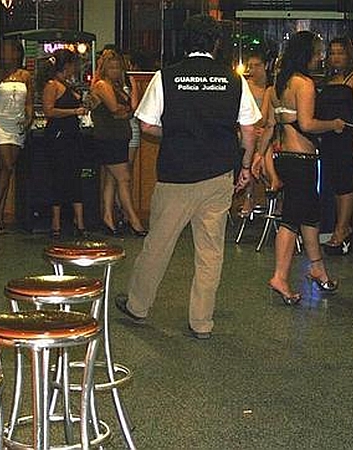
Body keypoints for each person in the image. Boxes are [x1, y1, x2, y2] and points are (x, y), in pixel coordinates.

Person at [114, 14, 261, 340]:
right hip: (218, 175)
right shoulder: (234, 81)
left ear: (185, 41)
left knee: (158, 244)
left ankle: (138, 306)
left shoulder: (166, 77)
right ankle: (201, 322)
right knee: (210, 252)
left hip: (176, 175)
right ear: (216, 44)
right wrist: (245, 166)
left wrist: (174, 133)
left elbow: (147, 124)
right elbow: (249, 130)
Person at [254, 31, 344, 305]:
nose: (320, 58)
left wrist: (258, 156)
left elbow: (269, 126)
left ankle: (318, 269)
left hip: (284, 158)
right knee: (292, 218)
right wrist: (333, 124)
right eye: (317, 53)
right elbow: (307, 124)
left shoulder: (276, 87)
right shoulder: (304, 84)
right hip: (302, 160)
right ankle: (280, 277)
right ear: (307, 55)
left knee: (309, 214)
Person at [317, 38, 353, 255]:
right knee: (333, 184)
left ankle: (342, 228)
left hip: (347, 137)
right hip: (328, 137)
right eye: (332, 53)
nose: (336, 57)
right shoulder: (328, 80)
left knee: (345, 184)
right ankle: (339, 226)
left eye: (340, 52)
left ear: (349, 55)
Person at [91, 49, 147, 236]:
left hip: (118, 136)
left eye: (118, 68)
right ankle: (133, 219)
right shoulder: (102, 85)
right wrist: (123, 111)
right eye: (111, 68)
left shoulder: (116, 86)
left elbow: (131, 109)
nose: (115, 71)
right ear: (104, 68)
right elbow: (115, 109)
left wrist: (124, 111)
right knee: (124, 178)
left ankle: (108, 217)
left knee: (111, 179)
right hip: (109, 138)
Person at [0, 38, 34, 235]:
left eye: (9, 50)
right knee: (6, 166)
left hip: (16, 125)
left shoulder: (25, 76)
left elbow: (29, 102)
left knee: (6, 171)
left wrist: (29, 118)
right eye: (3, 51)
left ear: (18, 53)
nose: (5, 54)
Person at [41, 49, 89, 239]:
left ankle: (80, 221)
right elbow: (49, 111)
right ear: (67, 66)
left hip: (72, 135)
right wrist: (73, 112)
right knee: (59, 177)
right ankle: (56, 222)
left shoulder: (67, 84)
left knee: (75, 176)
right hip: (59, 135)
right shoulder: (52, 85)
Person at [237, 51, 270, 217]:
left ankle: (272, 190)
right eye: (250, 66)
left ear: (265, 66)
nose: (253, 70)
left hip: (266, 131)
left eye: (257, 66)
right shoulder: (245, 86)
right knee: (248, 143)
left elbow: (266, 117)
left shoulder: (271, 89)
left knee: (264, 143)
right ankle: (249, 196)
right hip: (249, 130)